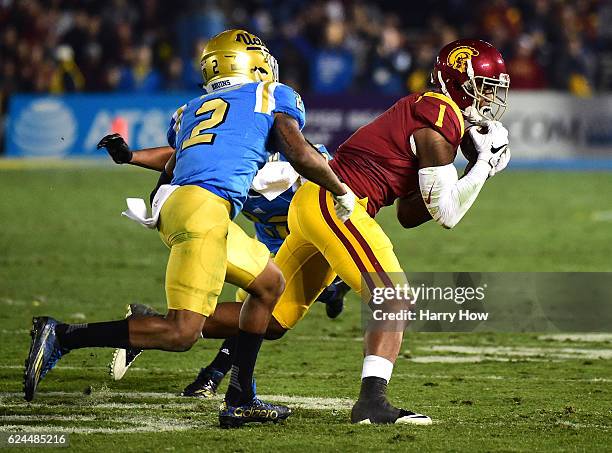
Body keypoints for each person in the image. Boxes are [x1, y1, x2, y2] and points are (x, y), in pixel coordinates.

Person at [102, 38, 512, 425]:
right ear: (459, 83)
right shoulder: (438, 111)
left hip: (316, 205)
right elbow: (448, 213)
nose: (490, 98)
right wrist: (483, 167)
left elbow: (410, 211)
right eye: (485, 87)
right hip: (334, 203)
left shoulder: (438, 117)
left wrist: (474, 166)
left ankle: (150, 327)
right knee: (394, 297)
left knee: (274, 318)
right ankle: (372, 402)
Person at [23, 29, 355, 428]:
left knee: (270, 284)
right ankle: (63, 335)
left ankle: (241, 397)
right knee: (181, 333)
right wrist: (340, 188)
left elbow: (175, 159)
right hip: (205, 208)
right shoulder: (272, 94)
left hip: (185, 203)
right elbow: (299, 151)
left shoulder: (192, 108)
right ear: (252, 62)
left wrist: (130, 158)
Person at [100, 138, 350, 397]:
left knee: (273, 308)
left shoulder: (305, 160)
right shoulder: (236, 153)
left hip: (311, 243)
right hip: (271, 245)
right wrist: (132, 157)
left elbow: (337, 190)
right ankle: (212, 372)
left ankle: (332, 292)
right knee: (264, 310)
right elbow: (188, 158)